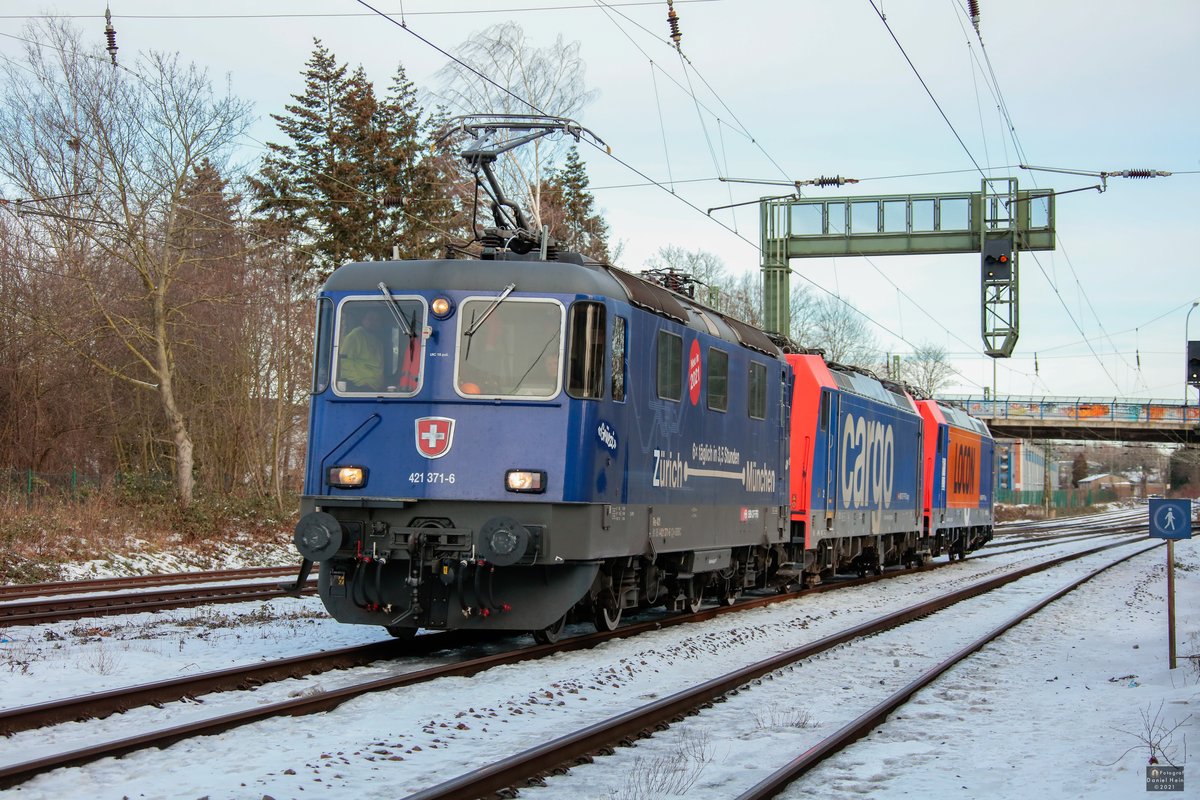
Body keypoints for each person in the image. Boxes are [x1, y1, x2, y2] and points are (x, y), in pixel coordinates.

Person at [340, 307, 389, 391]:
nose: (373, 322)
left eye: (377, 320)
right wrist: (361, 382)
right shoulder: (355, 336)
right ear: (363, 319)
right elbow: (344, 362)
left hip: (376, 388)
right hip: (360, 388)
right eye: (370, 318)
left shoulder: (378, 342)